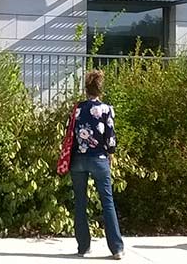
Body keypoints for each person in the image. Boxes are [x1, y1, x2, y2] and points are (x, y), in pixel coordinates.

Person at [69, 70, 124, 259]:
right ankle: (116, 247)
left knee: (80, 202)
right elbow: (110, 138)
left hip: (78, 159)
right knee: (107, 202)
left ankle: (83, 247)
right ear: (100, 89)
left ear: (86, 89)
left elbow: (71, 136)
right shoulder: (106, 109)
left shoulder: (76, 109)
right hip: (99, 159)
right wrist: (111, 153)